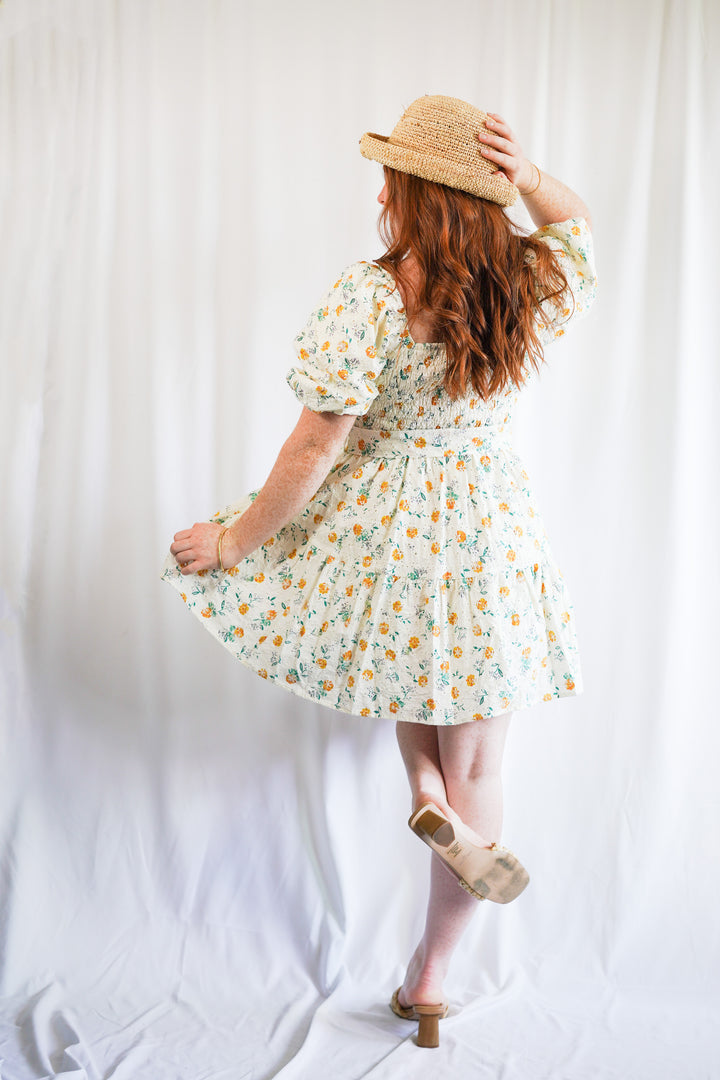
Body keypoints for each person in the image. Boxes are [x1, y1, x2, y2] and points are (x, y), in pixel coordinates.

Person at [162, 95, 597, 1049]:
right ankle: (432, 976)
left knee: (404, 667)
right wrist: (528, 180)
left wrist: (235, 544)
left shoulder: (373, 291)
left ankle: (423, 798)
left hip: (389, 531)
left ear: (407, 186)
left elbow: (317, 445)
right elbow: (579, 225)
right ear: (480, 191)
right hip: (488, 527)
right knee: (478, 751)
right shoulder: (524, 278)